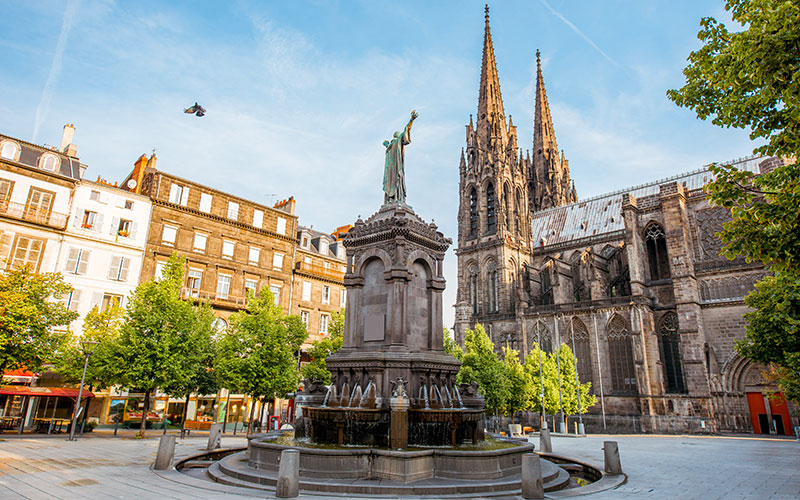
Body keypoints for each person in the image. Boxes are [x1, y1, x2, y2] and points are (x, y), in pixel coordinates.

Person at [383, 110, 418, 204]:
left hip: (391, 173)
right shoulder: (395, 144)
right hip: (395, 170)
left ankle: (392, 198)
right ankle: (397, 198)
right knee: (397, 181)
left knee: (392, 183)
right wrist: (411, 120)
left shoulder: (390, 147)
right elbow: (406, 129)